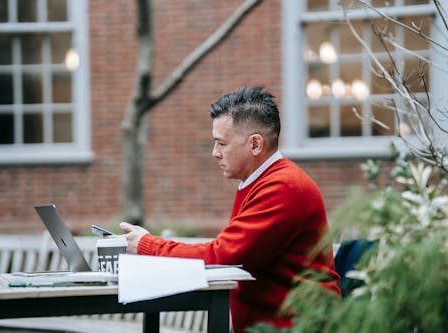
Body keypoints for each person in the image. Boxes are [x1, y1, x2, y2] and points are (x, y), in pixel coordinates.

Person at [120, 86, 341, 332]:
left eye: (221, 143)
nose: (215, 154)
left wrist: (147, 245)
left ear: (255, 144)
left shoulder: (284, 187)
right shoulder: (261, 181)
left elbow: (222, 257)